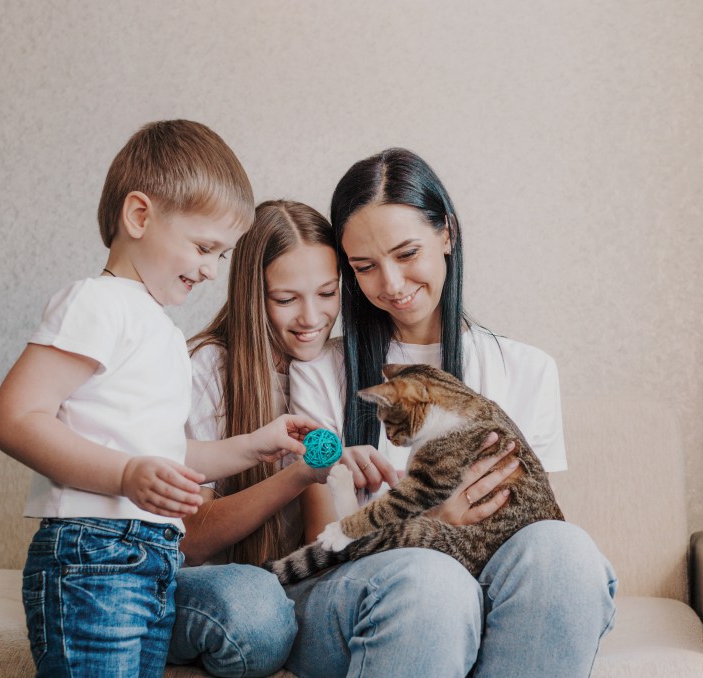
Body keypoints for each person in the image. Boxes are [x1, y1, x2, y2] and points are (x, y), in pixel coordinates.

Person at [0, 121, 319, 678]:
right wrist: (126, 475)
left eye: (222, 254)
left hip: (151, 560)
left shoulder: (159, 328)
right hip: (94, 555)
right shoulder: (96, 303)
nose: (212, 270)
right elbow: (13, 418)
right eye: (204, 247)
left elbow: (169, 456)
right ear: (139, 216)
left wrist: (255, 446)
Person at [284, 148, 618, 678]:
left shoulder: (525, 369)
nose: (390, 284)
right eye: (364, 267)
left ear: (448, 235)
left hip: (483, 589)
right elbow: (326, 540)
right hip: (362, 597)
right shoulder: (318, 372)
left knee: (566, 551)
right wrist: (436, 523)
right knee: (430, 582)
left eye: (406, 252)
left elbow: (527, 533)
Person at [167, 199, 518, 677]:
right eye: (286, 299)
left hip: (308, 582)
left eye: (328, 293)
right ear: (253, 295)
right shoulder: (209, 369)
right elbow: (188, 542)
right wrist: (299, 476)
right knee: (256, 605)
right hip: (222, 585)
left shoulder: (330, 367)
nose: (312, 317)